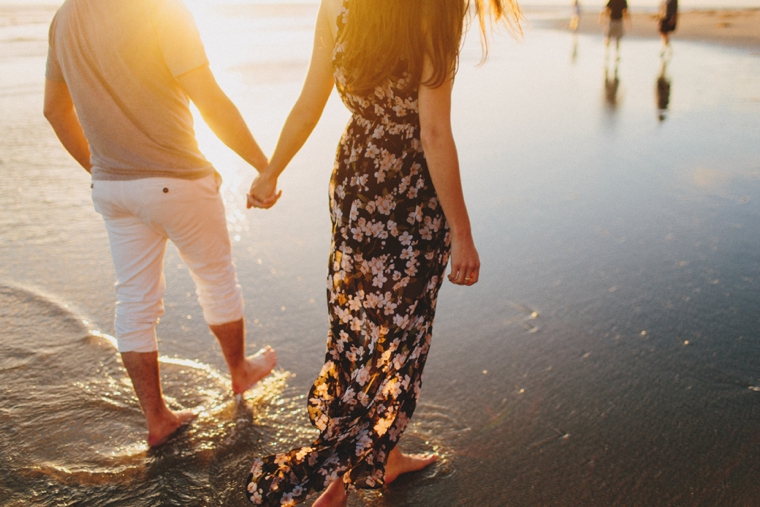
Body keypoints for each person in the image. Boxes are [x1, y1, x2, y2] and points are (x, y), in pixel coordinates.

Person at [244, 0, 521, 505]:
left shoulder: (338, 7)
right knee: (401, 338)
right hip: (412, 194)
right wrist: (462, 231)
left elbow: (310, 101)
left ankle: (381, 459)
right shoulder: (435, 9)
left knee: (354, 333)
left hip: (355, 183)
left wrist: (272, 170)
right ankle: (340, 479)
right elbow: (433, 132)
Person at [43, 0, 278, 447]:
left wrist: (100, 169)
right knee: (215, 278)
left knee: (134, 301)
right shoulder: (160, 10)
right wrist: (263, 165)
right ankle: (239, 371)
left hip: (113, 189)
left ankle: (157, 419)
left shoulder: (64, 18)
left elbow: (55, 110)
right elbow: (207, 96)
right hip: (177, 180)